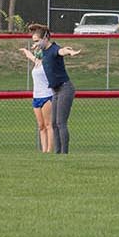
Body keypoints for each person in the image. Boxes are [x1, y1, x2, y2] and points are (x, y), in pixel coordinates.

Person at [29, 24, 81, 155]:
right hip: (55, 90)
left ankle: (64, 153)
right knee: (53, 123)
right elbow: (35, 57)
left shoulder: (53, 49)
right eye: (34, 41)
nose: (35, 44)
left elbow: (61, 51)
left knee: (60, 122)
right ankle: (57, 154)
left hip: (65, 88)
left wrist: (70, 52)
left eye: (37, 41)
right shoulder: (43, 52)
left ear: (46, 38)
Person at [21, 43, 54, 153]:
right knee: (41, 126)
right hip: (36, 97)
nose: (36, 51)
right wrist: (25, 51)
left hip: (46, 95)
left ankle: (49, 150)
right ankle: (44, 151)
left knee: (48, 124)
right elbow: (30, 56)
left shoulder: (47, 63)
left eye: (37, 49)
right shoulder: (36, 63)